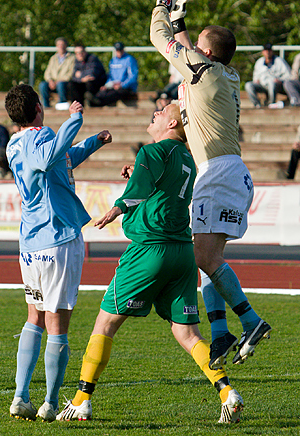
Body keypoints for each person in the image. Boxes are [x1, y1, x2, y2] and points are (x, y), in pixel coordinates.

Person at [57, 103, 244, 425]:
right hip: (182, 252)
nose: (154, 113)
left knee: (105, 326)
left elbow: (140, 190)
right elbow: (157, 186)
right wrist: (138, 174)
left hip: (149, 251)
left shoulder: (152, 152)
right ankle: (227, 391)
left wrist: (115, 209)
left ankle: (81, 401)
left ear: (172, 122)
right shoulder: (185, 156)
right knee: (187, 334)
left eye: (160, 111)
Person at [150, 0, 271, 371]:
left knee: (203, 255)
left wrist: (163, 6)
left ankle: (250, 320)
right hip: (226, 170)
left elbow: (158, 38)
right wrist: (184, 27)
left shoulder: (203, 70)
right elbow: (190, 50)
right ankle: (220, 332)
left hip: (217, 172)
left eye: (198, 42)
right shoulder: (221, 73)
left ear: (206, 52)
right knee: (205, 256)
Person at [4, 83, 112, 422]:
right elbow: (50, 155)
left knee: (34, 317)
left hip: (31, 242)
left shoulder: (13, 144)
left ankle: (21, 396)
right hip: (57, 237)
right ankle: (50, 402)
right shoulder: (41, 137)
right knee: (57, 323)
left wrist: (91, 143)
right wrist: (74, 119)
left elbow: (59, 159)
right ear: (37, 108)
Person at [85, 42, 138, 107]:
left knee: (116, 93)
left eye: (120, 50)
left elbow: (133, 77)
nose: (119, 52)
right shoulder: (113, 61)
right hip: (113, 86)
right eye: (117, 50)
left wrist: (122, 85)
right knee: (103, 91)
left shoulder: (129, 59)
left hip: (126, 87)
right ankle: (94, 101)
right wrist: (106, 85)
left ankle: (99, 102)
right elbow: (110, 76)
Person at [244, 44, 292, 108]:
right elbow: (255, 75)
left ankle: (271, 104)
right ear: (263, 52)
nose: (267, 52)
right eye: (265, 50)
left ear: (272, 51)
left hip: (276, 85)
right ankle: (257, 105)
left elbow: (288, 75)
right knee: (248, 85)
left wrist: (280, 80)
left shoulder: (279, 61)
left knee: (271, 83)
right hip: (262, 85)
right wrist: (256, 80)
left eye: (269, 50)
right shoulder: (259, 62)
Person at [39, 37, 75, 110]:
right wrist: (50, 80)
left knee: (60, 85)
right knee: (42, 85)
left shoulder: (72, 58)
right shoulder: (53, 58)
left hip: (64, 83)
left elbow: (71, 73)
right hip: (53, 82)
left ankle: (62, 105)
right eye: (59, 45)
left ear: (66, 46)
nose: (61, 46)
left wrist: (59, 81)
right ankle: (46, 106)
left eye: (62, 44)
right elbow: (47, 72)